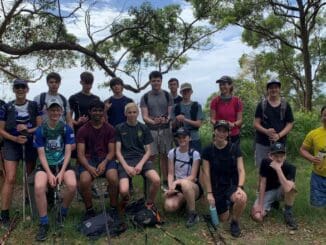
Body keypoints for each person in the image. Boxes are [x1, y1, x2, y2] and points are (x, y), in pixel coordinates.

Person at [33, 98, 76, 241]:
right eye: (52, 110)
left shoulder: (66, 128)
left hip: (62, 163)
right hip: (46, 165)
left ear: (61, 112)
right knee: (39, 187)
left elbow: (69, 152)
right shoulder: (40, 130)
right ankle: (44, 222)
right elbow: (41, 154)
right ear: (47, 111)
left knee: (72, 185)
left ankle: (62, 212)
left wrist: (62, 172)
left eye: (57, 110)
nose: (55, 112)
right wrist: (51, 174)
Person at [0, 79, 41, 226]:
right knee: (10, 178)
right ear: (14, 89)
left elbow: (40, 125)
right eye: (17, 87)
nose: (20, 89)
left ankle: (30, 207)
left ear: (27, 89)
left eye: (23, 87)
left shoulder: (34, 106)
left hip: (29, 143)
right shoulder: (7, 107)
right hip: (11, 144)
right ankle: (4, 215)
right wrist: (15, 138)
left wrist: (28, 131)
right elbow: (1, 130)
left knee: (29, 177)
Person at [201, 120, 247, 238]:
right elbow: (206, 173)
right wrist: (209, 193)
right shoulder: (207, 150)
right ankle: (228, 205)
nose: (221, 134)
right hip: (216, 187)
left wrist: (240, 188)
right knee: (223, 218)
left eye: (224, 131)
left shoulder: (235, 149)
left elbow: (241, 170)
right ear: (214, 131)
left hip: (232, 185)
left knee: (241, 198)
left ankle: (235, 221)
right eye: (219, 130)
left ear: (228, 133)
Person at [76, 100, 119, 220]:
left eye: (100, 110)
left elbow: (112, 152)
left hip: (106, 159)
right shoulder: (82, 130)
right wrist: (89, 168)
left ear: (103, 112)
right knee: (84, 181)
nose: (97, 113)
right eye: (94, 110)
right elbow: (80, 154)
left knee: (113, 178)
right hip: (88, 160)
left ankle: (113, 207)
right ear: (90, 112)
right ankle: (89, 210)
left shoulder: (110, 129)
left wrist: (104, 163)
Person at [116, 102, 160, 210]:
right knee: (123, 190)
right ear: (125, 113)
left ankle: (149, 203)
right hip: (125, 160)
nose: (132, 115)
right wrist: (126, 167)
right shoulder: (119, 128)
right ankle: (127, 201)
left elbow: (148, 151)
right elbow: (117, 152)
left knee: (156, 180)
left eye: (134, 112)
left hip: (141, 159)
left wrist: (140, 165)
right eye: (129, 112)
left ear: (138, 113)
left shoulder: (144, 128)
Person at [251, 142, 298, 230]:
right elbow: (262, 183)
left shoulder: (290, 167)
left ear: (285, 156)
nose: (279, 159)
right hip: (268, 191)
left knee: (292, 187)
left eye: (281, 156)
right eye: (276, 156)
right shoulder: (265, 162)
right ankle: (272, 204)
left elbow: (288, 188)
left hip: (281, 190)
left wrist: (278, 169)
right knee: (257, 216)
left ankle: (288, 211)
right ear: (270, 155)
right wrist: (260, 205)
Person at [140, 71, 173, 190]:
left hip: (165, 130)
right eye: (153, 80)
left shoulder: (167, 95)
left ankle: (165, 181)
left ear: (161, 81)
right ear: (150, 81)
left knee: (165, 155)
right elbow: (144, 116)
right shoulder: (145, 97)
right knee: (151, 156)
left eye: (158, 80)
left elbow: (170, 113)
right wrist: (153, 121)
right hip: (151, 131)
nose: (156, 83)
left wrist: (166, 119)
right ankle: (151, 180)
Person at [164, 127, 202, 227]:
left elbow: (193, 177)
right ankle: (184, 202)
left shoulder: (195, 154)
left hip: (193, 186)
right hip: (178, 187)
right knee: (169, 207)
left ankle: (193, 213)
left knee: (185, 184)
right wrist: (171, 187)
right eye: (179, 137)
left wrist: (178, 182)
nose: (182, 139)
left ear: (189, 138)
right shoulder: (172, 153)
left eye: (184, 137)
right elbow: (170, 173)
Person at [254, 78, 294, 168]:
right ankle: (262, 183)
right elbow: (256, 123)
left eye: (276, 87)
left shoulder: (285, 105)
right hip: (262, 142)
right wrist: (266, 131)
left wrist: (279, 135)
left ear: (279, 89)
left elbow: (290, 123)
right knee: (262, 168)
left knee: (279, 167)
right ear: (267, 90)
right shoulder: (261, 105)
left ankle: (278, 182)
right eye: (271, 87)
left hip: (280, 143)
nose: (273, 90)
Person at [300, 106, 326, 207]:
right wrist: (311, 158)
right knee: (317, 208)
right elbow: (302, 150)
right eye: (325, 115)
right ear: (321, 117)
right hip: (318, 176)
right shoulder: (314, 133)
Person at [210, 75, 243, 144]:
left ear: (230, 85)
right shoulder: (215, 101)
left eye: (224, 84)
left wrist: (233, 124)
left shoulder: (237, 101)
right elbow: (212, 119)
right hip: (219, 135)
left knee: (233, 154)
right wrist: (220, 125)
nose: (222, 87)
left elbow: (240, 120)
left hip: (233, 135)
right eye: (220, 85)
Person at [172, 83, 204, 152]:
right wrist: (177, 120)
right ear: (181, 93)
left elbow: (198, 124)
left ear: (191, 92)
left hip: (194, 138)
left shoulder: (197, 106)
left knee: (196, 160)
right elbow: (173, 126)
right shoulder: (176, 107)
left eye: (188, 91)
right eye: (184, 91)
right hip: (181, 139)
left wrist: (184, 119)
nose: (186, 92)